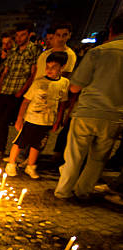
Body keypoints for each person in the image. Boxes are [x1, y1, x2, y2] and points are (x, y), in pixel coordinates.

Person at [54, 13, 123, 200]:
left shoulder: (99, 52)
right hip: (116, 116)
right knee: (98, 159)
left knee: (75, 155)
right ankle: (83, 191)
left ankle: (63, 191)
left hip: (88, 111)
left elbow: (75, 86)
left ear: (111, 31)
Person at [5, 52, 69, 179]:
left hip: (47, 121)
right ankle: (11, 164)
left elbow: (62, 102)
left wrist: (58, 120)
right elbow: (26, 101)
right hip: (32, 119)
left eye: (54, 67)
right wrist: (19, 118)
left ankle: (31, 166)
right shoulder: (39, 83)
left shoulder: (64, 83)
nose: (49, 70)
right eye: (47, 67)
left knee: (37, 145)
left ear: (62, 67)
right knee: (20, 142)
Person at [0, 22, 41, 159]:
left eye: (22, 35)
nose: (19, 38)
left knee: (5, 121)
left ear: (29, 35)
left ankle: (1, 149)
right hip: (5, 89)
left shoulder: (34, 50)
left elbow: (33, 74)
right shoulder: (13, 51)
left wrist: (22, 91)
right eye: (17, 35)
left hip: (17, 91)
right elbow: (5, 71)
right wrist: (0, 87)